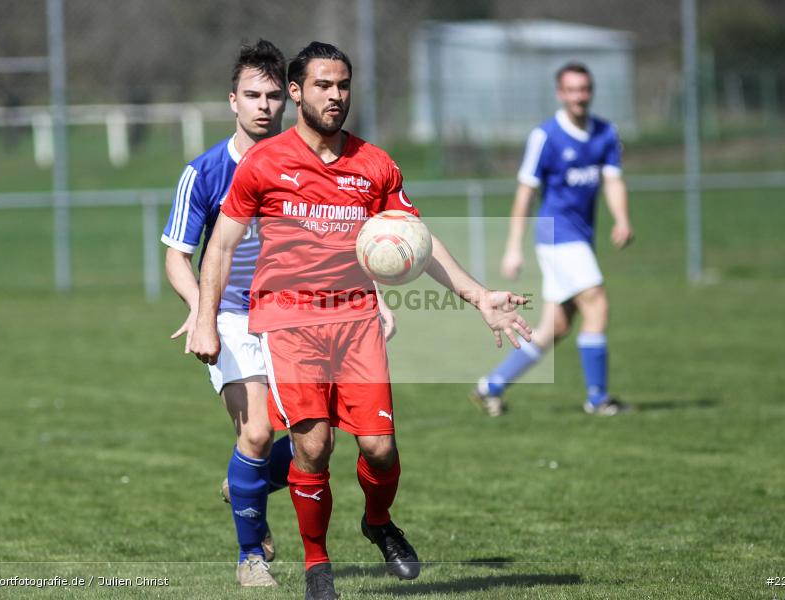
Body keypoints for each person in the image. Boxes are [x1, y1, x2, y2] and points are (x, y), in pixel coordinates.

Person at [189, 42, 532, 600]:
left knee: (379, 448)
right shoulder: (264, 162)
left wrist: (478, 294)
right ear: (296, 92)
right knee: (314, 447)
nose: (336, 95)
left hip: (357, 319)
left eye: (343, 85)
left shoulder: (375, 164)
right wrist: (205, 319)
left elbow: (417, 240)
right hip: (288, 322)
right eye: (323, 85)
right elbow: (221, 247)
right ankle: (317, 566)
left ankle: (378, 521)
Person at [160, 39, 293, 587]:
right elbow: (177, 256)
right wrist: (202, 311)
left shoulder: (306, 166)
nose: (263, 105)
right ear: (232, 100)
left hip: (293, 315)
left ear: (287, 100)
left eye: (272, 96)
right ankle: (250, 558)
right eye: (252, 95)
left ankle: (244, 483)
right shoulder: (206, 171)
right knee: (258, 433)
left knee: (319, 442)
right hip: (233, 315)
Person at [471, 61, 634, 417]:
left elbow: (612, 181)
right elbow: (525, 193)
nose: (579, 97)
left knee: (555, 327)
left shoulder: (606, 133)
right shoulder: (545, 136)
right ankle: (598, 399)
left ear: (591, 92)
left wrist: (622, 219)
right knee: (597, 302)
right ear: (560, 93)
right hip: (556, 234)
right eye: (572, 90)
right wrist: (513, 247)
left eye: (584, 89)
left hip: (581, 237)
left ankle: (490, 387)